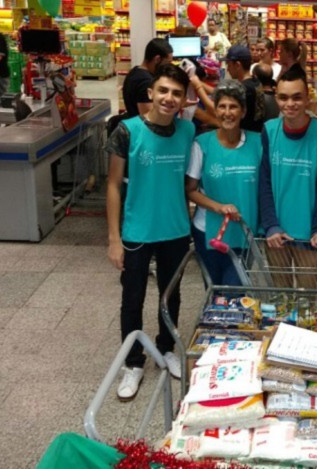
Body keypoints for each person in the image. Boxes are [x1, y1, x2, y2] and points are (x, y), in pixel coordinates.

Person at [106, 64, 195, 401]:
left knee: (171, 295)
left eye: (176, 93)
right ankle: (132, 362)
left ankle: (166, 347)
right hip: (137, 230)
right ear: (150, 92)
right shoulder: (127, 131)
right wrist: (114, 239)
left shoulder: (187, 131)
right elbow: (113, 185)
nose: (169, 98)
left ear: (183, 99)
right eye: (163, 90)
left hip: (175, 228)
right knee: (133, 297)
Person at [259, 69, 317, 288]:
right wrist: (270, 225)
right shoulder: (269, 130)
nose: (290, 104)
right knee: (281, 292)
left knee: (307, 292)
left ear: (307, 98)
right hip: (276, 232)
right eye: (283, 98)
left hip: (308, 232)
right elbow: (264, 182)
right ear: (276, 98)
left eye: (297, 97)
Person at [186, 80, 262, 285]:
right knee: (214, 292)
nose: (227, 113)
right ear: (215, 110)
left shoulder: (258, 143)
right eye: (222, 106)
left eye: (233, 107)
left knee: (235, 291)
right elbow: (191, 190)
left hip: (244, 231)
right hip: (209, 232)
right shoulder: (201, 144)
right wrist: (218, 207)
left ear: (243, 111)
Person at [123, 38, 173, 117]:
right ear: (157, 59)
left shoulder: (135, 71)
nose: (168, 66)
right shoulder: (146, 82)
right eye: (167, 62)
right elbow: (148, 117)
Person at [224, 45, 265, 132]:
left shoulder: (243, 89)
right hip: (256, 131)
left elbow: (221, 111)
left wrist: (199, 87)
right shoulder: (256, 81)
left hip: (245, 134)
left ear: (237, 65)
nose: (227, 69)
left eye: (229, 65)